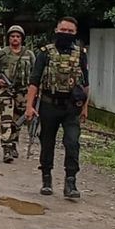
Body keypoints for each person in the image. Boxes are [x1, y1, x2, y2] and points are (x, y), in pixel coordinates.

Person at [24, 17, 89, 200]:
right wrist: (29, 106)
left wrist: (85, 107)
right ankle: (46, 178)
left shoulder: (80, 54)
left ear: (75, 33)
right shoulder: (45, 53)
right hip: (48, 105)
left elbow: (86, 83)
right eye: (63, 30)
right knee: (47, 142)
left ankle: (71, 181)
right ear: (56, 30)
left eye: (70, 31)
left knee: (72, 142)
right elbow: (34, 81)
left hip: (71, 107)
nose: (66, 34)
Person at [0, 25, 35, 163]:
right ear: (8, 38)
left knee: (17, 121)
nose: (15, 39)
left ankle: (13, 144)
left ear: (22, 38)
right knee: (6, 119)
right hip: (6, 91)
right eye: (12, 36)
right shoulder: (2, 53)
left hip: (23, 92)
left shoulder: (29, 54)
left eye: (18, 36)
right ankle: (6, 148)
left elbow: (36, 74)